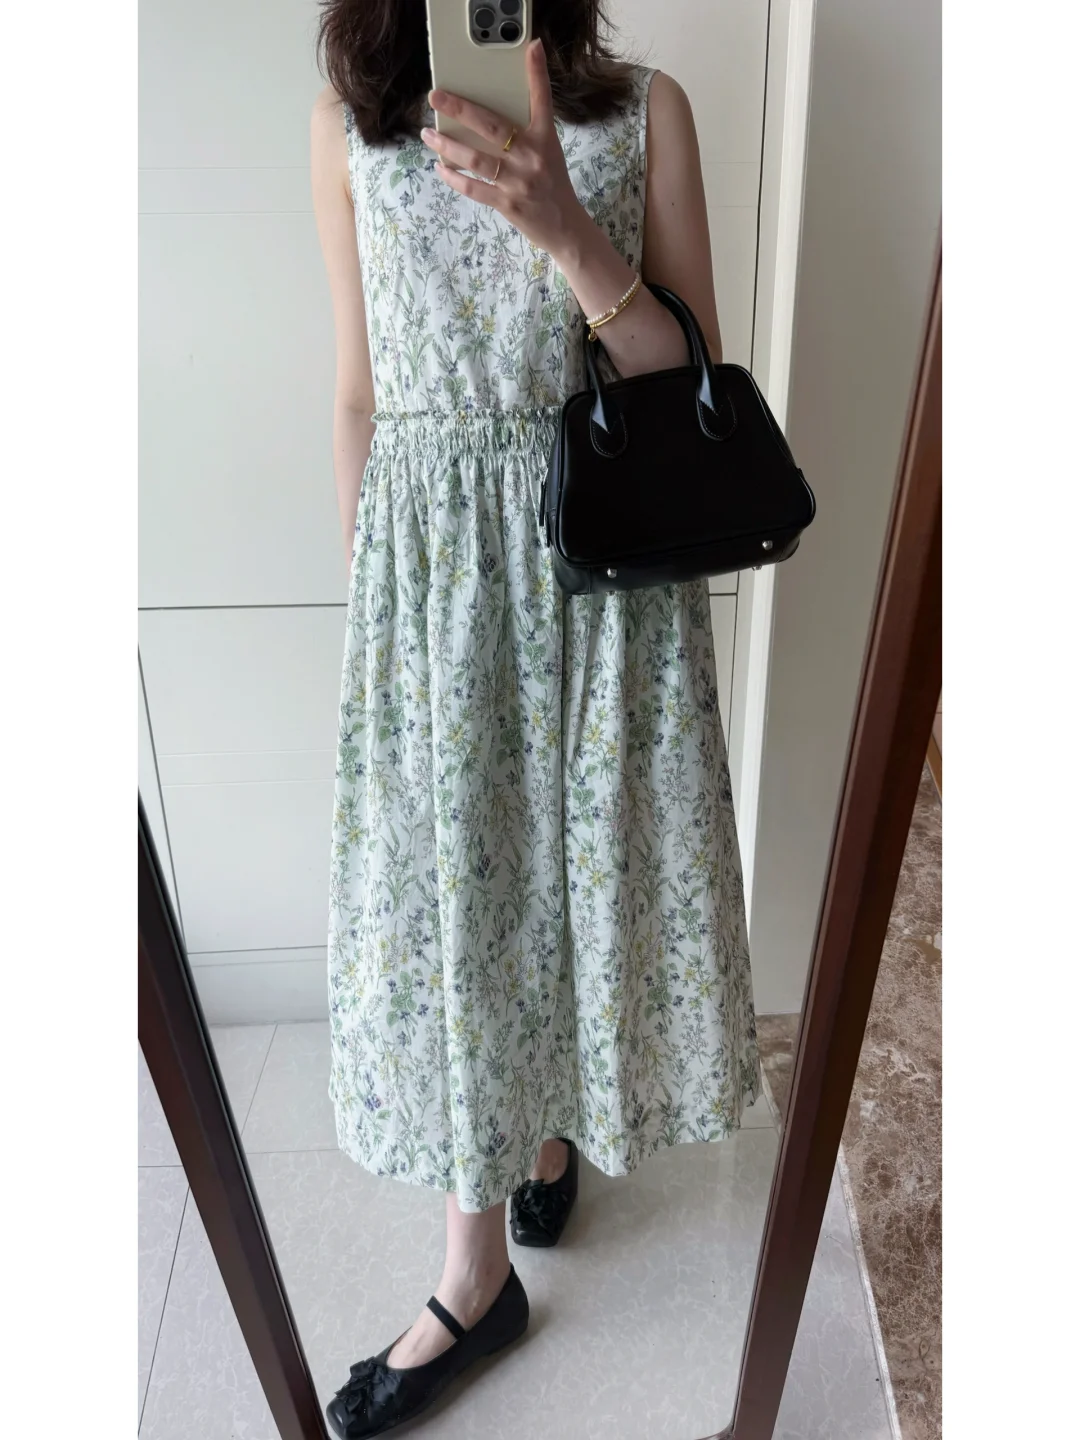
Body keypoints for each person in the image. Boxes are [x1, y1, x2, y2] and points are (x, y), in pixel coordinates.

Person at [311, 3, 760, 1433]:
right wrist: (377, 630)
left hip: (596, 567)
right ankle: (475, 1272)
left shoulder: (644, 114)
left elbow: (690, 386)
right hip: (431, 593)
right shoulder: (349, 128)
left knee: (575, 880)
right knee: (463, 905)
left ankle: (546, 1131)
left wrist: (570, 233)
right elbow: (359, 394)